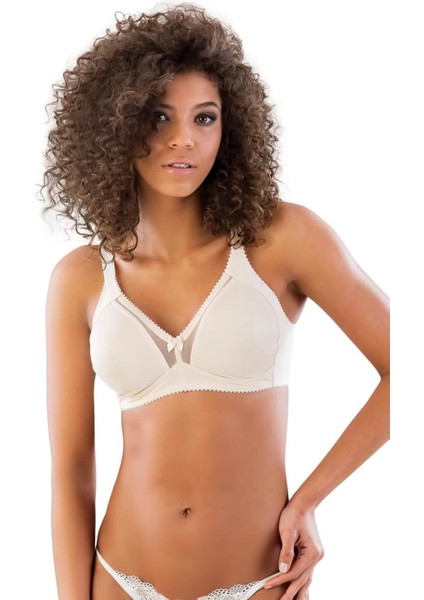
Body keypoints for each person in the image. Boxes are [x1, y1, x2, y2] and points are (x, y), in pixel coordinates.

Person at [42, 4, 390, 600]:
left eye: (205, 117)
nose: (184, 138)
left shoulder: (282, 240)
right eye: (159, 116)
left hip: (260, 581)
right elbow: (72, 470)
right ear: (115, 124)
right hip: (121, 578)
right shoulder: (79, 278)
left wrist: (308, 500)